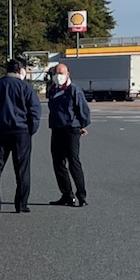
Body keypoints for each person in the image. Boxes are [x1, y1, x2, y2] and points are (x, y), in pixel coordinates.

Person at [0, 59, 42, 213]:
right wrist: (30, 130)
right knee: (22, 170)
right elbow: (34, 110)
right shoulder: (25, 87)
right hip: (21, 132)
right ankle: (21, 204)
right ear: (20, 70)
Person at [46, 62, 91, 206]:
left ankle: (81, 195)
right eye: (56, 73)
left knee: (73, 162)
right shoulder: (53, 90)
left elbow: (82, 108)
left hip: (71, 129)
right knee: (58, 163)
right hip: (56, 129)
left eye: (61, 73)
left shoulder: (73, 89)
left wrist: (82, 125)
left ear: (67, 74)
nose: (58, 76)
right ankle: (66, 194)